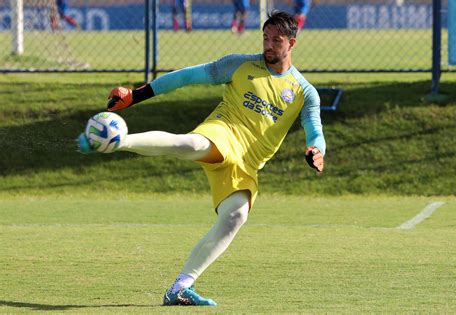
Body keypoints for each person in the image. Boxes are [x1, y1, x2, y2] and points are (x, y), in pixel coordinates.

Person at [77, 11, 325, 306]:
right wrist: (136, 95)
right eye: (265, 38)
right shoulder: (240, 65)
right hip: (223, 131)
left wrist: (316, 150)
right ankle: (117, 142)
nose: (268, 45)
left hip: (247, 164)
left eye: (276, 40)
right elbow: (188, 76)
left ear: (292, 43)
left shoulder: (304, 92)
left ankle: (180, 288)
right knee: (191, 144)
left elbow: (315, 130)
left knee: (235, 217)